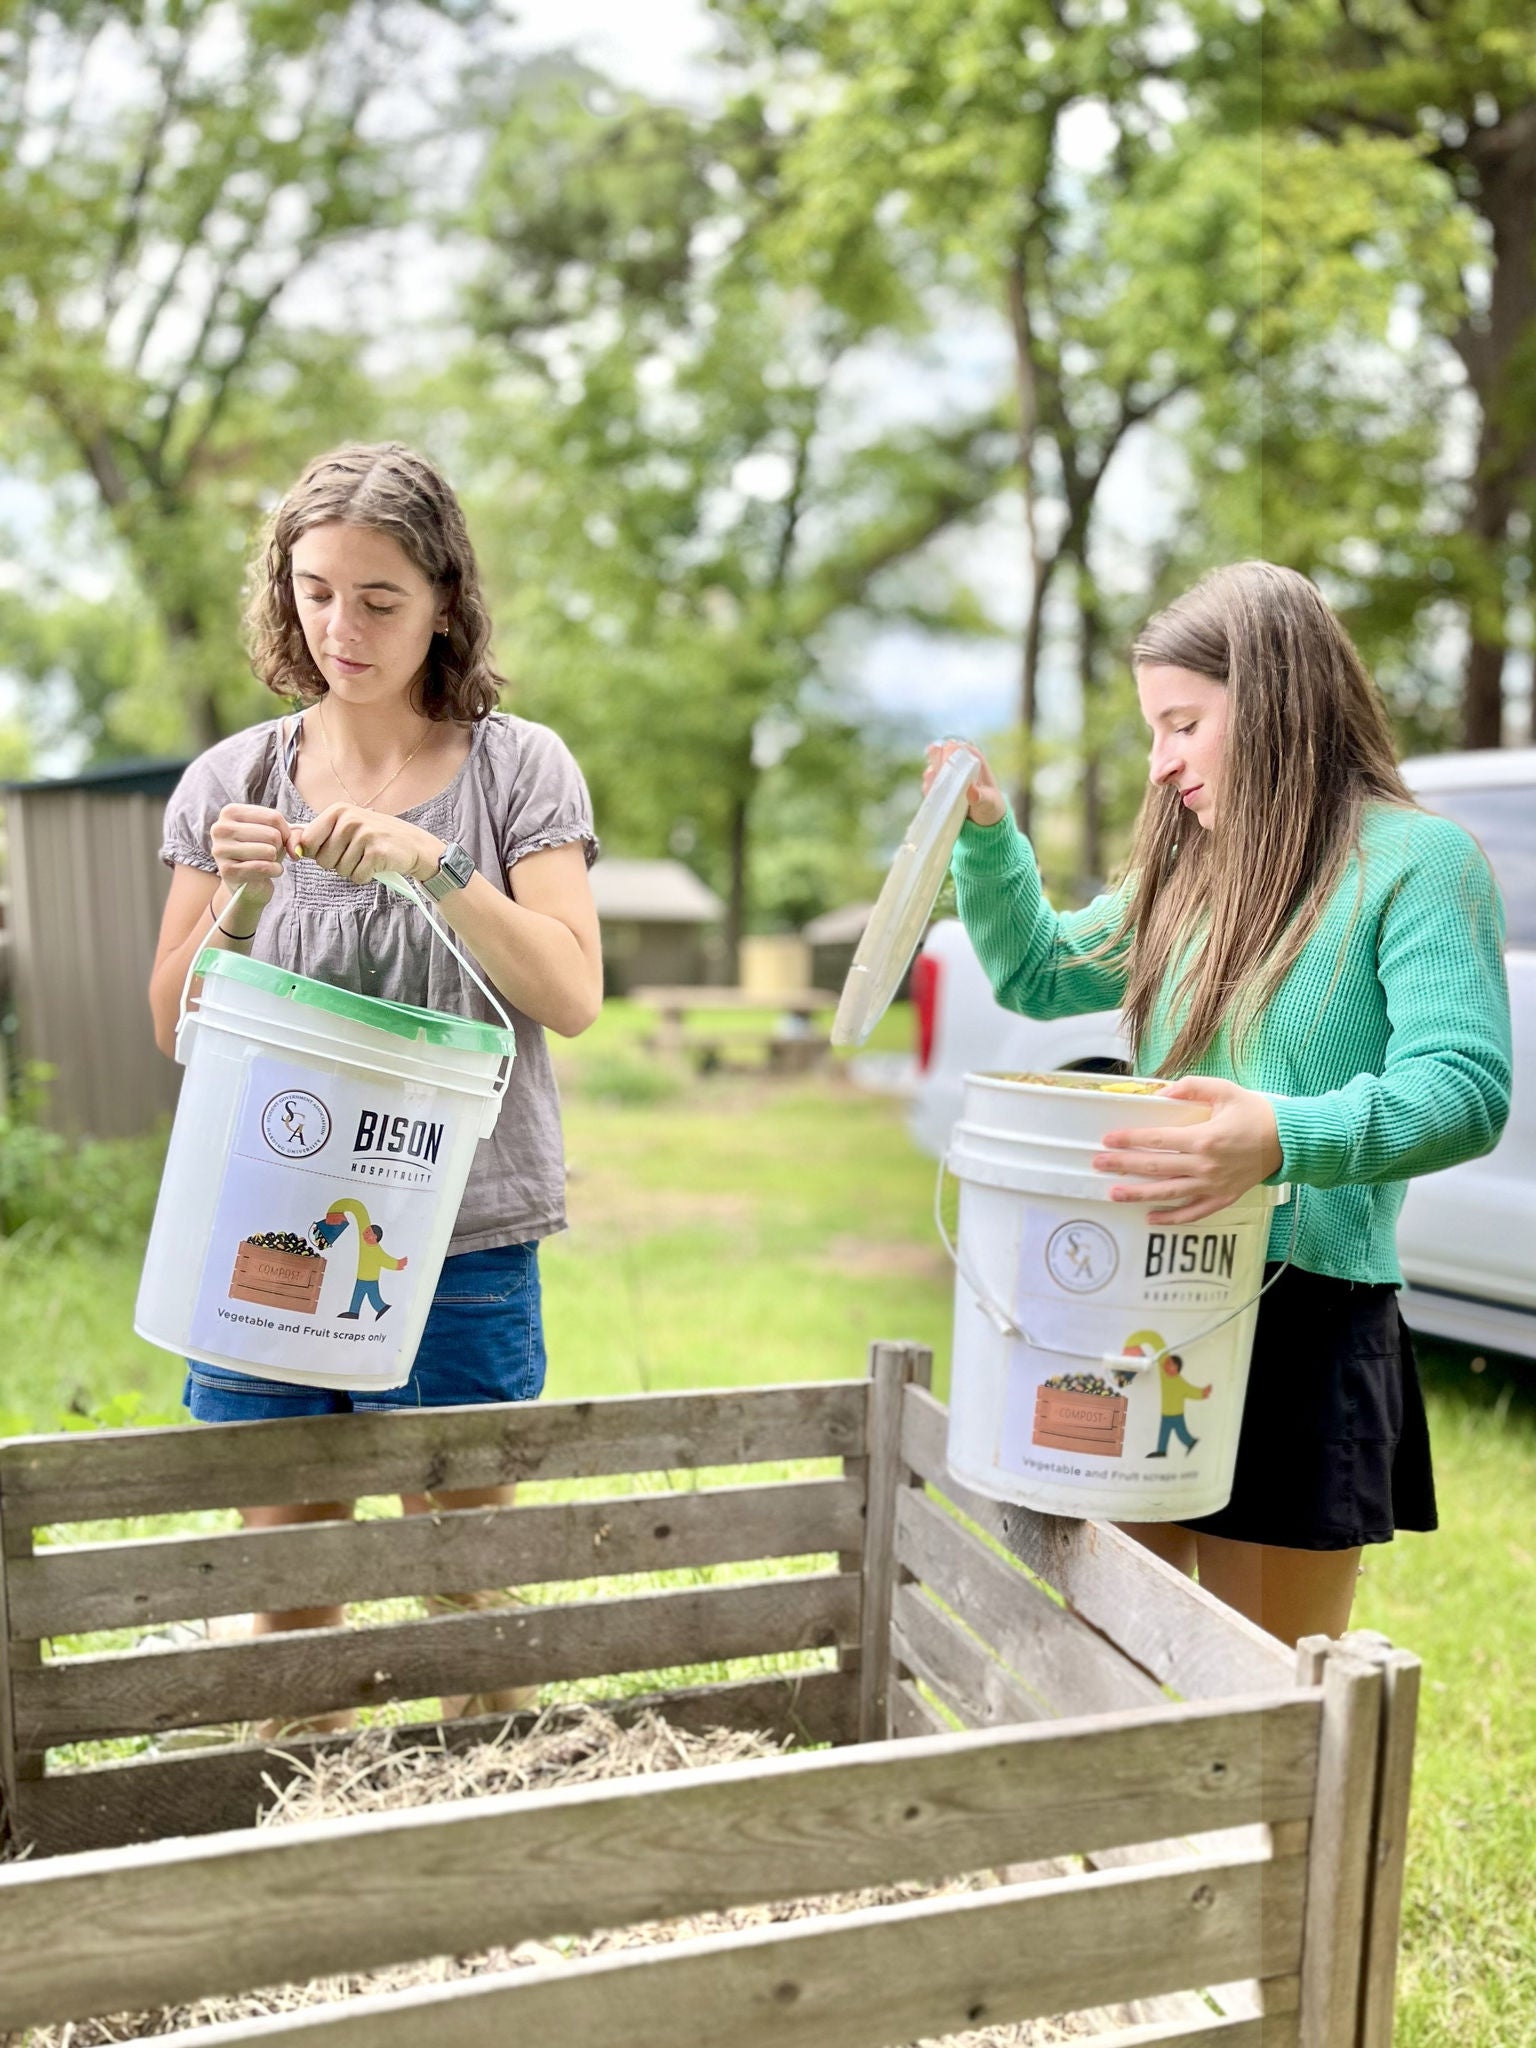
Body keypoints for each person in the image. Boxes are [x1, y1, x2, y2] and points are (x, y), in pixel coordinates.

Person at [926, 561, 1511, 1648]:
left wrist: (1280, 1135)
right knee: (1121, 1652)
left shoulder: (1419, 863)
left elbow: (1464, 1089)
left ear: (1278, 700)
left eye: (1184, 725)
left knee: (1263, 1677)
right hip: (1145, 1299)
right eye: (1155, 729)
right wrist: (987, 834)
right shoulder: (1186, 876)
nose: (1161, 763)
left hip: (1305, 1314)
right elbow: (1040, 972)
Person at [149, 441, 603, 1724]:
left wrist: (434, 863)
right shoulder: (231, 782)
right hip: (268, 1226)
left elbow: (572, 992)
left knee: (467, 1582)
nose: (341, 629)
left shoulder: (520, 769)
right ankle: (311, 1797)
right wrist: (241, 896)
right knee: (291, 1584)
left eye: (379, 599)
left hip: (464, 1233)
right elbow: (176, 1023)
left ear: (445, 602)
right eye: (315, 592)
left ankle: (494, 1805)